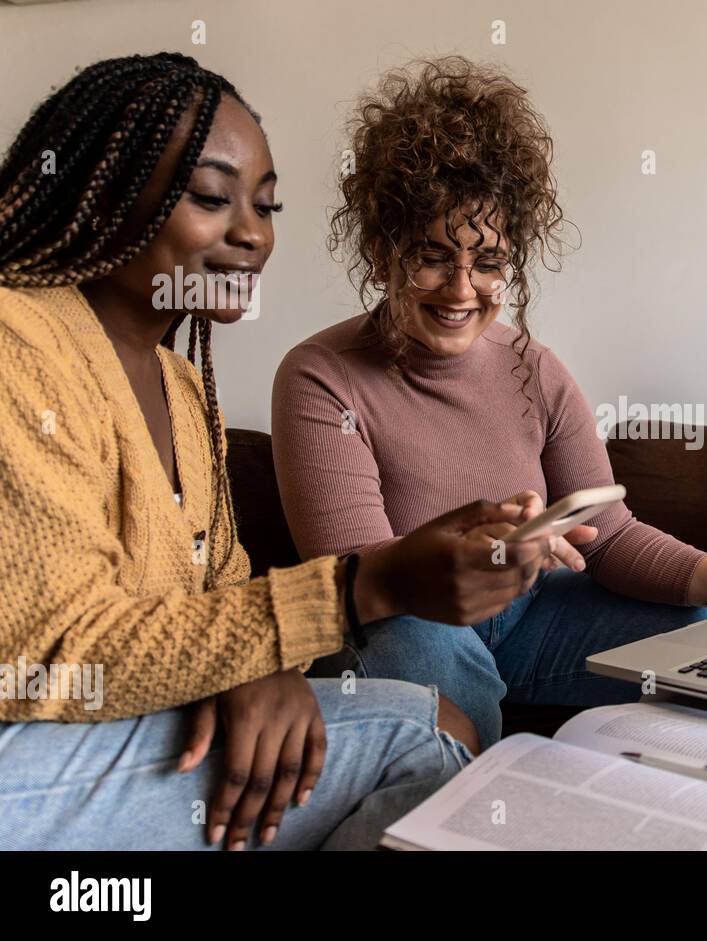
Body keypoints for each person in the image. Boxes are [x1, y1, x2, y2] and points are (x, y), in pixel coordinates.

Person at [0, 52, 551, 851]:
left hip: (110, 728)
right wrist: (371, 581)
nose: (254, 233)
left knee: (436, 719)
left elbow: (217, 591)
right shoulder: (19, 341)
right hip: (25, 746)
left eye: (265, 206)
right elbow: (53, 651)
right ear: (107, 190)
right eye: (214, 198)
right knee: (421, 739)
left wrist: (262, 668)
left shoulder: (183, 389)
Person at [272, 56, 707, 749]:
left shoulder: (536, 369)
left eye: (490, 262)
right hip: (411, 620)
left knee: (706, 628)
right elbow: (358, 576)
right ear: (382, 251)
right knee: (421, 650)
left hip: (535, 621)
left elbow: (611, 534)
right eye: (432, 256)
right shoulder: (321, 376)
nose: (462, 288)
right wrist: (491, 553)